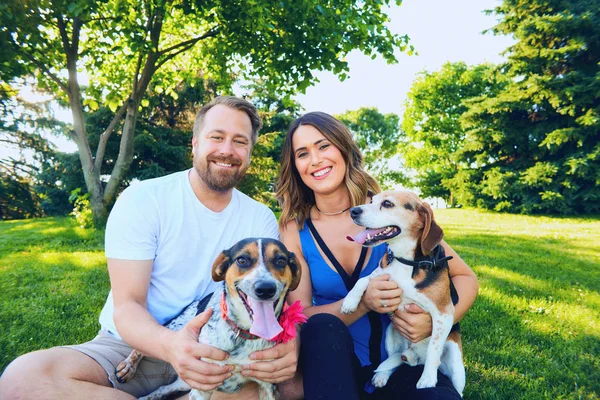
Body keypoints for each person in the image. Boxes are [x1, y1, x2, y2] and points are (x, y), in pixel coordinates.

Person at [0, 96, 299, 400]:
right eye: (216, 137)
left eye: (240, 141)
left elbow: (272, 295)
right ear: (195, 142)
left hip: (227, 351)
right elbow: (127, 305)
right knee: (21, 381)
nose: (227, 150)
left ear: (250, 152)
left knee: (290, 384)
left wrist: (290, 345)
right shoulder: (144, 199)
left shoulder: (259, 218)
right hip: (138, 347)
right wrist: (172, 347)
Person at [276, 112, 479, 399]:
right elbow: (302, 317)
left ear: (344, 149)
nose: (315, 160)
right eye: (302, 153)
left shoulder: (389, 210)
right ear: (295, 166)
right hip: (332, 370)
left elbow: (465, 276)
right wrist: (364, 303)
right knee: (323, 325)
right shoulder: (294, 230)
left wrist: (434, 323)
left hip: (401, 360)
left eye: (323, 146)